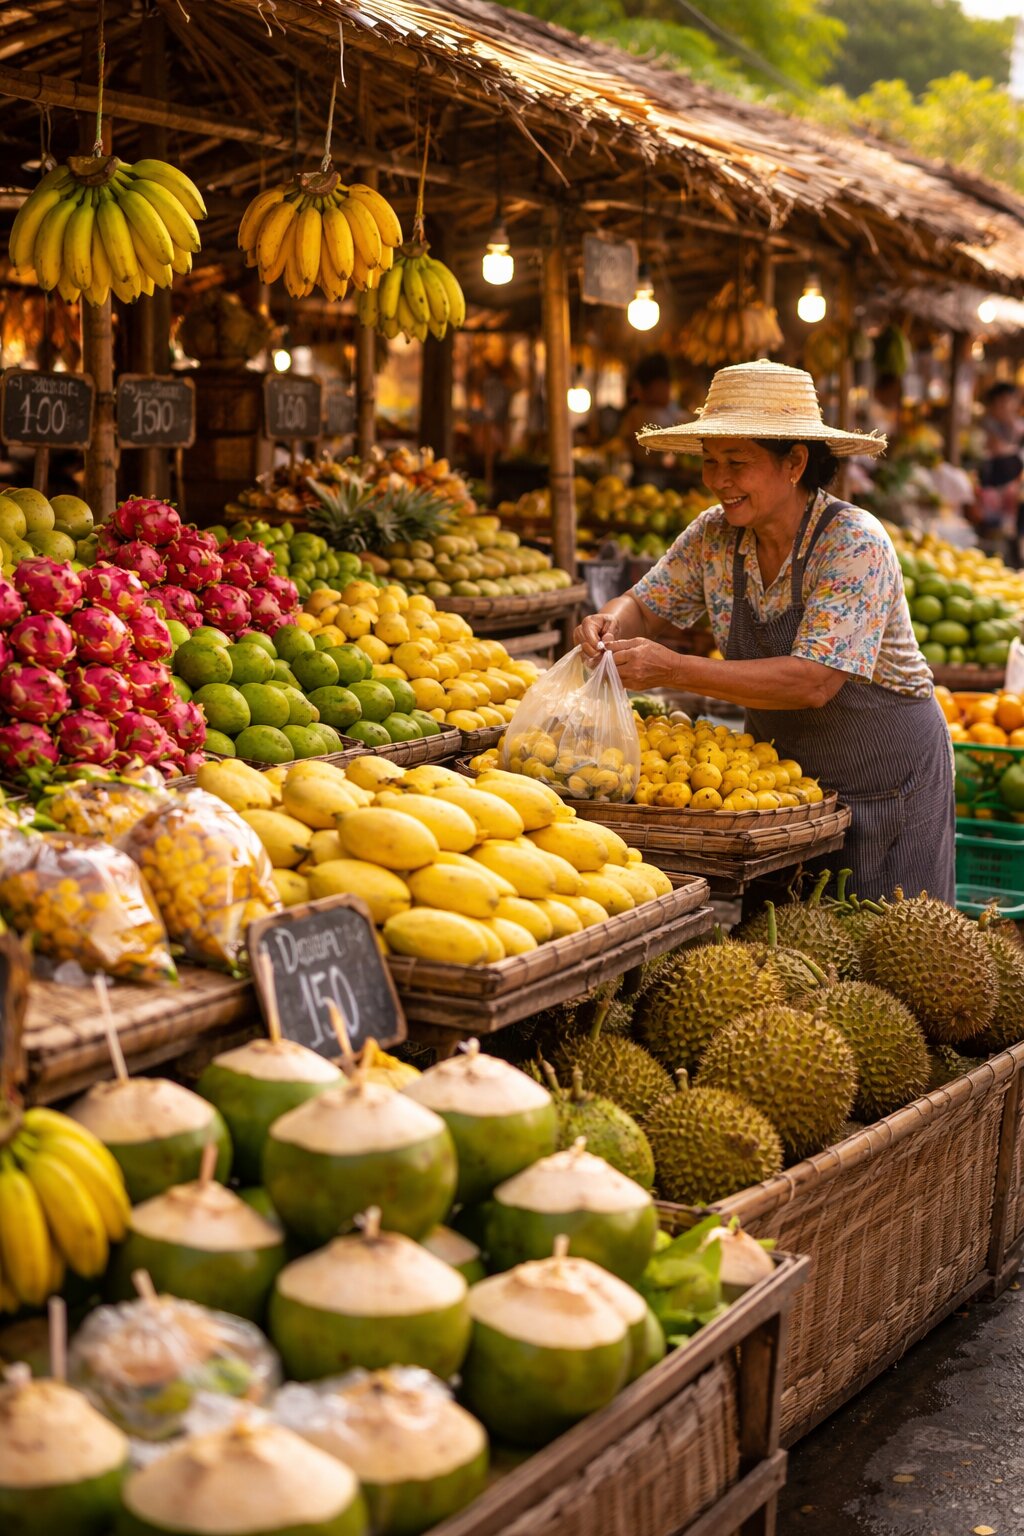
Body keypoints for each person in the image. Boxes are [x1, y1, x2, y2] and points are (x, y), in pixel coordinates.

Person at [576, 359, 955, 903]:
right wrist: (609, 620)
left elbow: (812, 682)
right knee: (780, 941)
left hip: (886, 783)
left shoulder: (853, 542)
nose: (718, 480)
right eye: (710, 462)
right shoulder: (714, 536)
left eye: (737, 462)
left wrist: (673, 669)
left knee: (883, 940)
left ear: (794, 462)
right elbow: (644, 603)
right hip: (775, 791)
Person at [620, 353, 683, 488]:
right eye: (665, 385)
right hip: (647, 481)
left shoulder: (671, 411)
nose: (668, 391)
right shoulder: (638, 415)